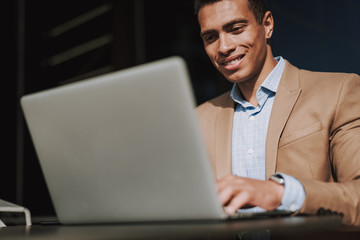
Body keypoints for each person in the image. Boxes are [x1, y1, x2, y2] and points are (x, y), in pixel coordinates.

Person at [194, 0, 360, 227]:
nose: (224, 47)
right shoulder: (198, 120)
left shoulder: (339, 92)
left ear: (268, 25)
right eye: (211, 37)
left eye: (236, 29)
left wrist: (282, 193)